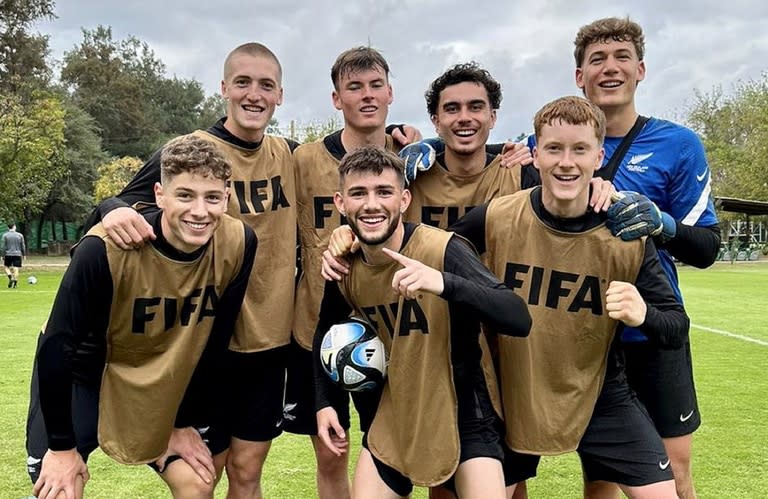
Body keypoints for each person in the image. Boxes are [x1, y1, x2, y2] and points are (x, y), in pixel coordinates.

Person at [450, 95, 689, 498]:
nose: (566, 162)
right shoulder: (497, 217)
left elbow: (676, 326)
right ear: (536, 154)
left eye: (580, 149)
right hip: (512, 391)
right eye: (554, 149)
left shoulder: (625, 233)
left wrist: (643, 313)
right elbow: (432, 249)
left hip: (599, 392)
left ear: (598, 157)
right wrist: (349, 237)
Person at [29, 134, 257, 499]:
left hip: (154, 377)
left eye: (212, 197)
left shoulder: (238, 243)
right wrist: (60, 448)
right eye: (185, 195)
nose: (200, 211)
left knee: (198, 483)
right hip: (85, 377)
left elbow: (213, 341)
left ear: (226, 198)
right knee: (58, 489)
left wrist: (181, 423)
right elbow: (58, 348)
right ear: (159, 195)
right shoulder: (102, 249)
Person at [313, 145, 531, 499]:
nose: (371, 204)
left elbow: (517, 317)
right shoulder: (344, 264)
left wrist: (442, 283)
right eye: (358, 193)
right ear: (341, 203)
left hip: (465, 412)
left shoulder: (443, 249)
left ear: (403, 199)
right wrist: (326, 402)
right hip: (396, 412)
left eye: (384, 192)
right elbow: (326, 329)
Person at [567, 18, 721, 499]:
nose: (609, 68)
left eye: (620, 57)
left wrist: (661, 222)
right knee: (601, 476)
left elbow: (708, 247)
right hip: (589, 333)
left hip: (652, 328)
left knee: (674, 474)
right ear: (579, 77)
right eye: (596, 59)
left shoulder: (677, 144)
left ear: (641, 69)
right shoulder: (553, 144)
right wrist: (416, 143)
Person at [290, 46, 404, 499]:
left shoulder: (413, 156)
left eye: (376, 85)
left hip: (393, 329)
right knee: (331, 452)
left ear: (391, 92)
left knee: (393, 453)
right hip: (318, 328)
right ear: (336, 99)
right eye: (354, 87)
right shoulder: (302, 161)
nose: (367, 96)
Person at [2, 223, 26, 288]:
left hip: (8, 254)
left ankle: (10, 277)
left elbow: (3, 246)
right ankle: (15, 283)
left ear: (8, 228)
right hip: (17, 254)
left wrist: (2, 255)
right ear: (14, 227)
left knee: (6, 267)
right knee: (16, 268)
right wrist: (24, 254)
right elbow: (23, 245)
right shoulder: (20, 235)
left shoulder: (5, 235)